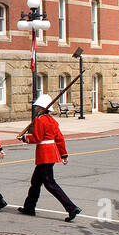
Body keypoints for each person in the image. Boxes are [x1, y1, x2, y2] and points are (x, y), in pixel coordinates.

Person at [18, 93, 81, 221]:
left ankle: (71, 208)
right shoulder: (52, 121)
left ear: (41, 108)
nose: (35, 108)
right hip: (51, 154)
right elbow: (59, 139)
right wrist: (63, 154)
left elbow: (37, 138)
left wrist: (25, 138)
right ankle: (29, 207)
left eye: (37, 106)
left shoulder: (40, 120)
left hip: (45, 155)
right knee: (35, 183)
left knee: (50, 184)